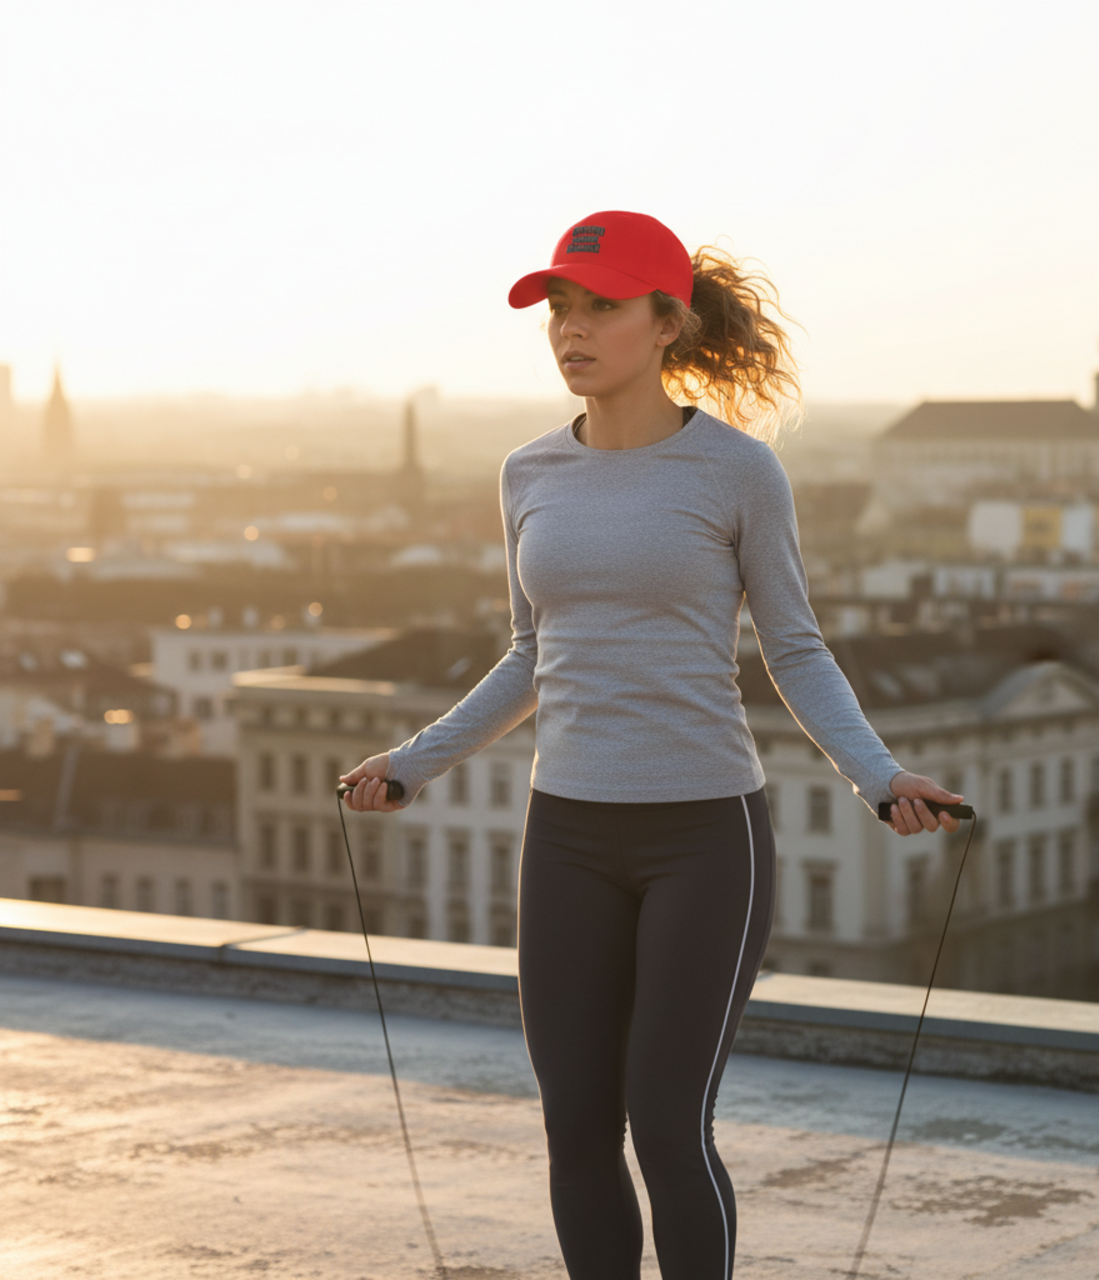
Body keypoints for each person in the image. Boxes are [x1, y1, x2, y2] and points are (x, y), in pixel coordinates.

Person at [339, 210, 964, 1280]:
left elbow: (794, 650)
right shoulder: (527, 473)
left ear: (665, 321)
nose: (570, 330)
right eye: (559, 308)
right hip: (566, 834)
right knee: (575, 1128)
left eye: (600, 307)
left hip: (703, 834)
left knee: (665, 1125)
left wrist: (876, 773)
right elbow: (530, 653)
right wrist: (412, 759)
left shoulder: (736, 472)